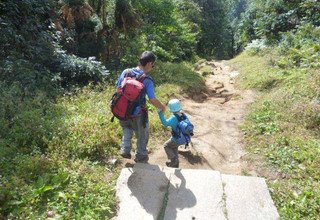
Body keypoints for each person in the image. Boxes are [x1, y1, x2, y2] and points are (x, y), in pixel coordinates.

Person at [116, 51, 166, 163]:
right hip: (138, 113)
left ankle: (125, 148)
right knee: (142, 134)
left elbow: (118, 89)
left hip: (122, 110)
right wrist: (162, 107)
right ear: (149, 64)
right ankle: (141, 156)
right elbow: (152, 99)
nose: (152, 67)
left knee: (126, 128)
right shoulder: (147, 80)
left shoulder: (126, 72)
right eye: (153, 65)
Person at [157, 99, 193, 168]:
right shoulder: (183, 114)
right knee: (174, 147)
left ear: (171, 109)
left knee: (166, 145)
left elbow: (165, 123)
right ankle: (175, 164)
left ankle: (173, 160)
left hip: (177, 139)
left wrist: (160, 113)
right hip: (185, 138)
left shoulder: (174, 118)